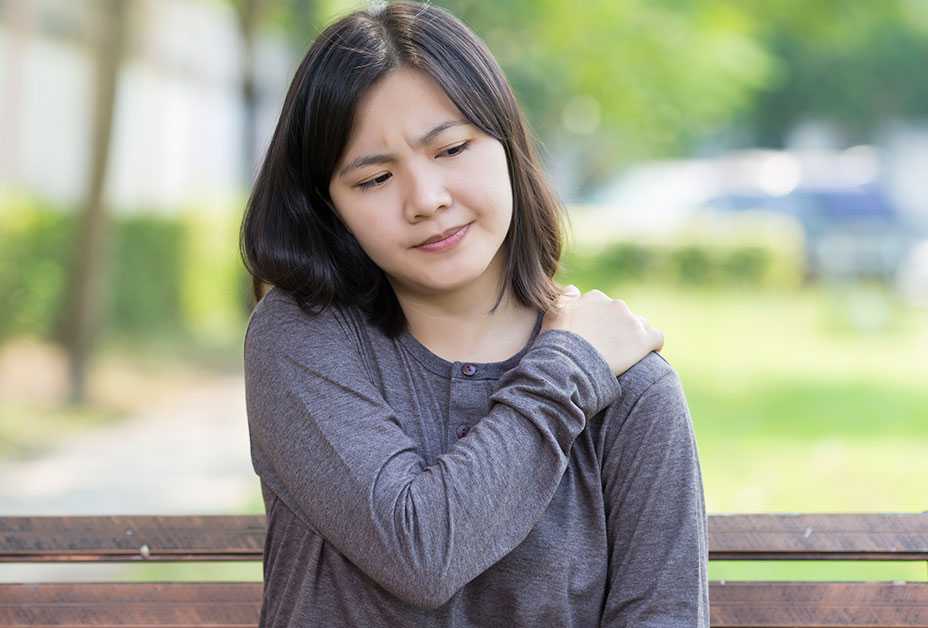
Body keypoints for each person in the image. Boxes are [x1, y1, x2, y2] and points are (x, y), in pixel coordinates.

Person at [239, 1, 709, 626]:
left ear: (507, 145)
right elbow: (419, 552)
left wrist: (578, 368)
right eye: (375, 179)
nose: (426, 200)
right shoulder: (302, 342)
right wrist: (566, 372)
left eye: (452, 148)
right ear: (329, 208)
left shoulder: (632, 392)